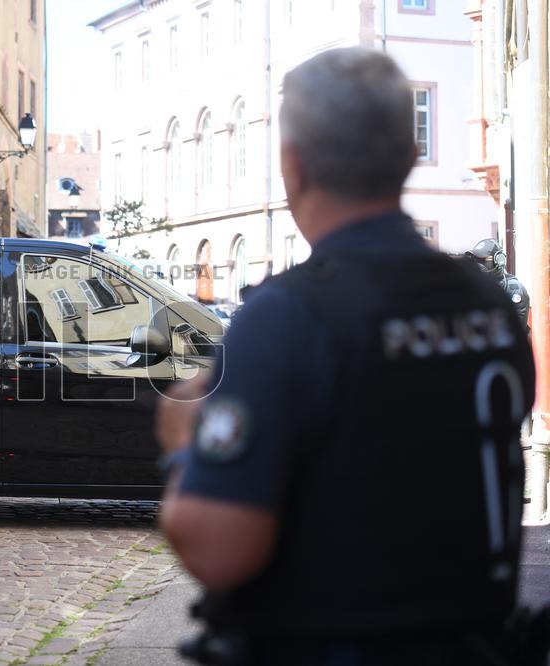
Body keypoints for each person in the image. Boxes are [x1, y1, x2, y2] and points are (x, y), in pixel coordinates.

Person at [155, 47, 537, 665]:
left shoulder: (287, 318)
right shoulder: (487, 304)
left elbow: (217, 547)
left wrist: (181, 442)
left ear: (293, 166)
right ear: (411, 157)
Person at [465, 238, 531, 332]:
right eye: (476, 260)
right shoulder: (474, 286)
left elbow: (515, 330)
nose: (478, 264)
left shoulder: (513, 289)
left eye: (483, 260)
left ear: (499, 261)